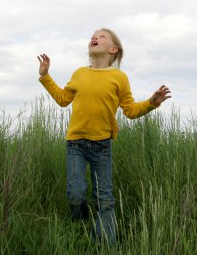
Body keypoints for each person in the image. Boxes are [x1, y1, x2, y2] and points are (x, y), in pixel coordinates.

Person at [37, 28, 171, 244]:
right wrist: (45, 76)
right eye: (93, 36)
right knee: (75, 194)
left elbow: (130, 110)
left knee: (105, 199)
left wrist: (151, 103)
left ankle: (106, 244)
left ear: (113, 49)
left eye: (101, 36)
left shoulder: (119, 77)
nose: (95, 37)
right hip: (76, 144)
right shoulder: (79, 73)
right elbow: (62, 99)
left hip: (102, 146)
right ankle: (78, 224)